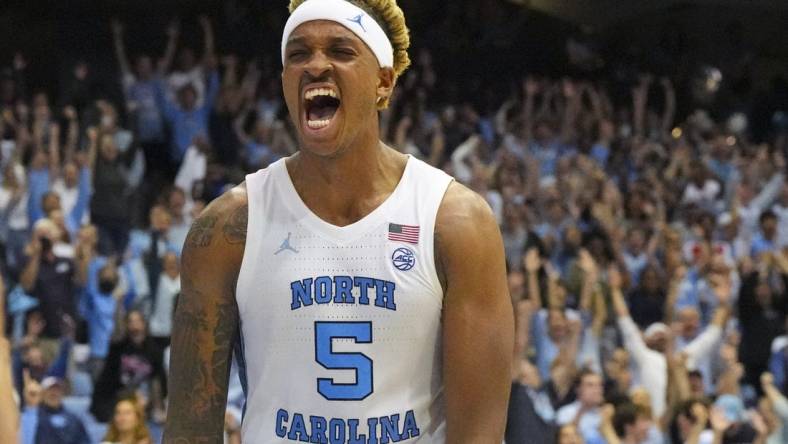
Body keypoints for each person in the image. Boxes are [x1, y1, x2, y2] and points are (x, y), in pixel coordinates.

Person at [164, 0, 514, 442]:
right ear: (285, 82)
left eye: (341, 51)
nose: (316, 65)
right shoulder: (227, 230)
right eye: (298, 54)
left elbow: (479, 437)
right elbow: (189, 431)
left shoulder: (456, 223)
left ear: (384, 83)